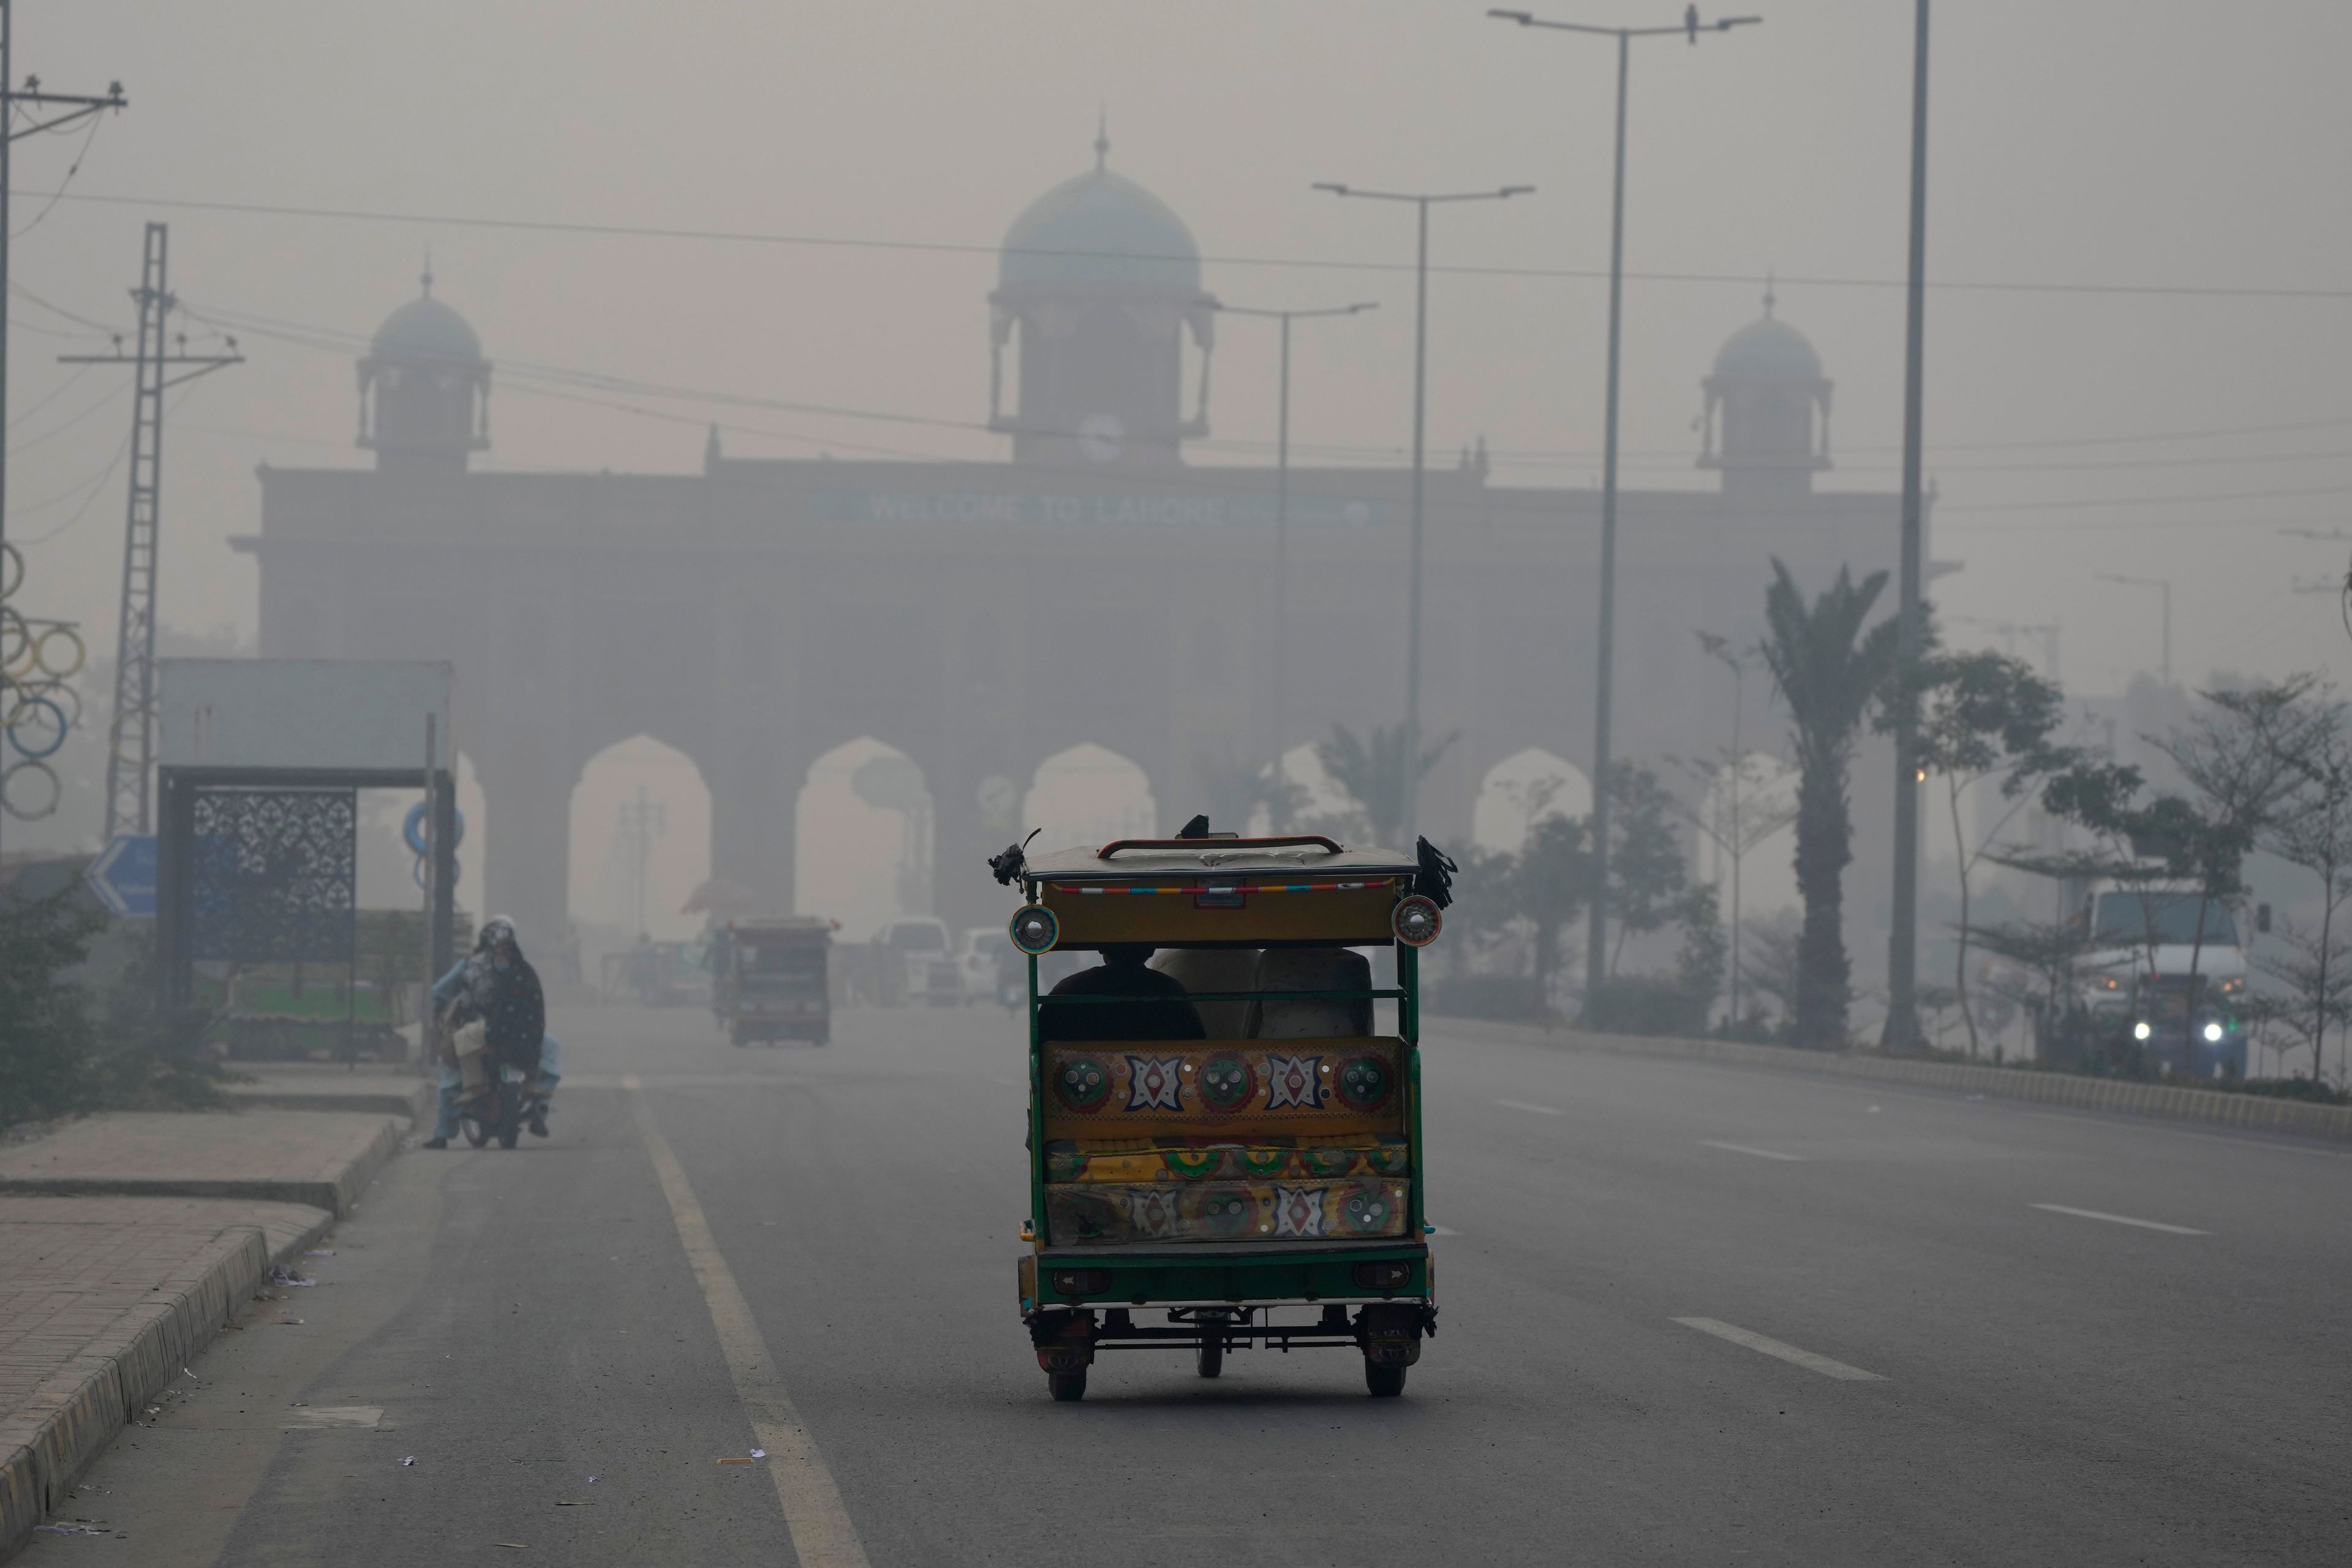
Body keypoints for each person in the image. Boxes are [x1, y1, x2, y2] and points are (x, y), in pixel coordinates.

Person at [421, 916, 550, 1148]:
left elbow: (439, 991)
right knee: (550, 1054)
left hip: (486, 1032)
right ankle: (540, 1106)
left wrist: (442, 1015)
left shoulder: (471, 964)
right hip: (521, 1034)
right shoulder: (523, 968)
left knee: (450, 1077)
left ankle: (443, 1134)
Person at [1038, 944, 1205, 1043]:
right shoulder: (1171, 990)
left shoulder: (1068, 990)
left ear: (1101, 948)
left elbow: (1043, 1043)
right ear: (1151, 951)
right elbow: (1196, 1040)